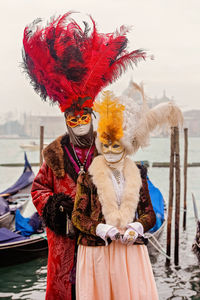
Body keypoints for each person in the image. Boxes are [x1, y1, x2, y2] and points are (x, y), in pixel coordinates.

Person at [22, 12, 146, 300]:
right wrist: (54, 207)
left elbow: (124, 177)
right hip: (65, 238)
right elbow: (39, 188)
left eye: (83, 118)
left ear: (91, 117)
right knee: (69, 289)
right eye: (73, 120)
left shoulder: (107, 146)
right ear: (67, 121)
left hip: (100, 237)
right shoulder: (54, 153)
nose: (79, 124)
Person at [72, 90, 183, 300]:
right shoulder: (87, 178)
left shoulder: (138, 174)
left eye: (116, 145)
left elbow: (149, 213)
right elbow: (77, 216)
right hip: (98, 252)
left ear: (125, 147)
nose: (111, 150)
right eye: (106, 145)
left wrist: (137, 227)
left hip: (130, 251)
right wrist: (102, 229)